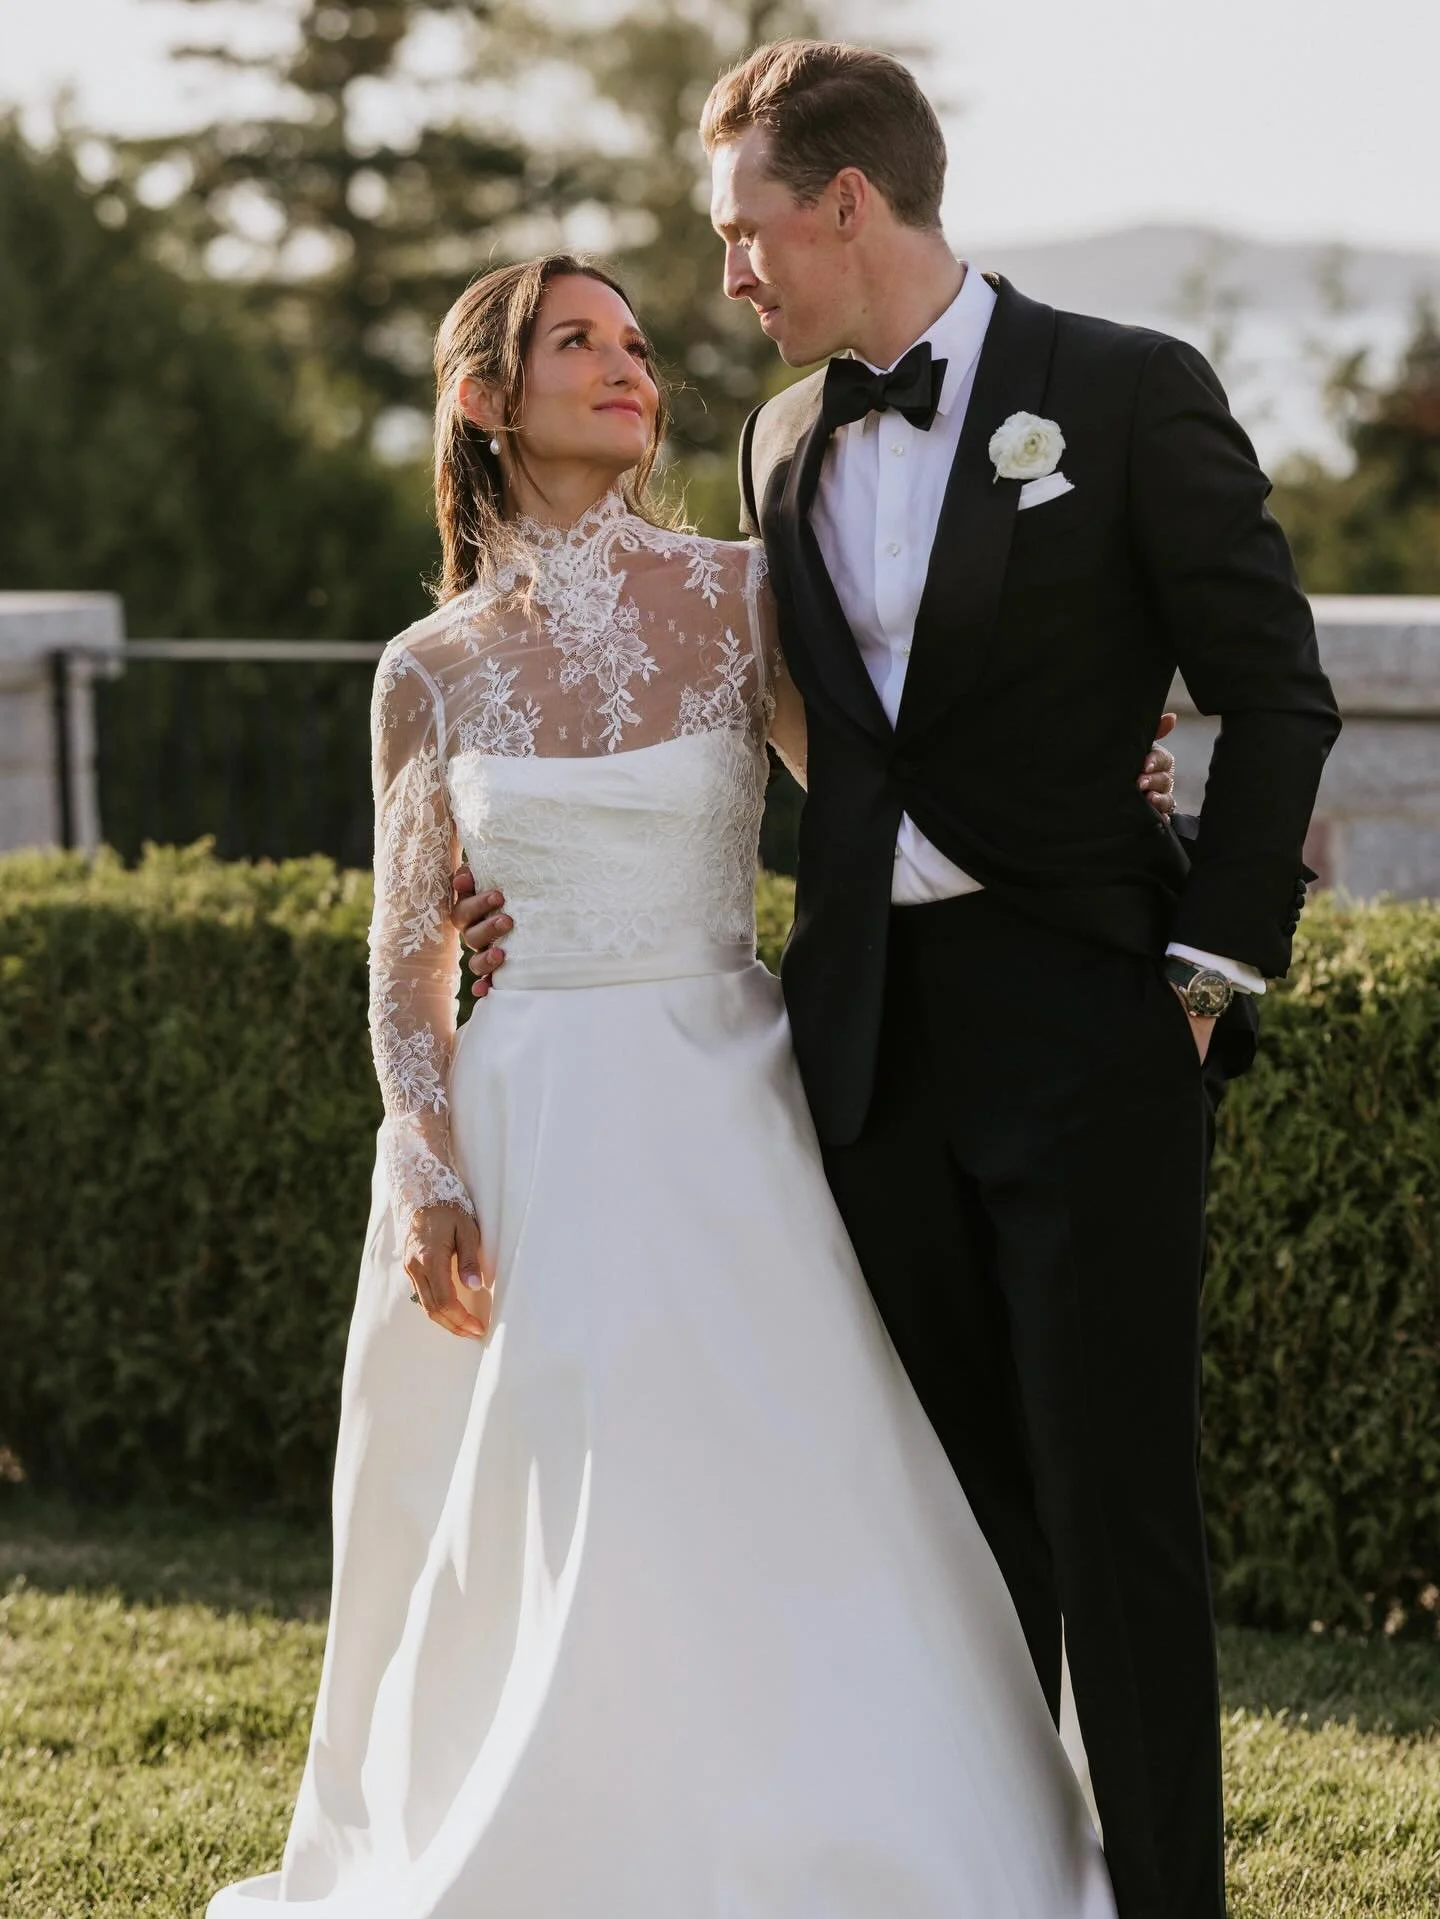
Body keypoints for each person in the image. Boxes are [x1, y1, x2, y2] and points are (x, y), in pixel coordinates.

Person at [454, 41, 1339, 1919]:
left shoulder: (1122, 388)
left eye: (742, 233)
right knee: (946, 1522)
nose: (729, 283)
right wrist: (517, 874)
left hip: (1095, 1020)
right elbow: (787, 726)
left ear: (843, 203)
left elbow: (1279, 687)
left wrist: (1205, 963)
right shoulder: (781, 442)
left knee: (1117, 1516)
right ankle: (998, 1881)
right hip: (856, 1045)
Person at [207, 253, 1188, 1918]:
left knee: (787, 1463)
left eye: (637, 341)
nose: (626, 363)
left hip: (733, 1098)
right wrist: (427, 1162)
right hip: (530, 1129)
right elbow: (400, 956)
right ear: (483, 398)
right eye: (575, 342)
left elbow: (891, 784)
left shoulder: (743, 594)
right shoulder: (427, 671)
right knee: (568, 1476)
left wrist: (1096, 764)